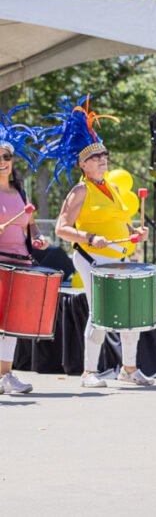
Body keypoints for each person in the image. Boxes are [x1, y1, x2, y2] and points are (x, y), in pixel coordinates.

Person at [49, 97, 153, 387]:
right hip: (91, 257)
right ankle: (89, 373)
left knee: (131, 312)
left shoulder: (112, 186)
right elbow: (61, 228)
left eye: (104, 154)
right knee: (100, 313)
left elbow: (122, 220)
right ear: (83, 164)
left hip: (118, 257)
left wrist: (135, 233)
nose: (102, 159)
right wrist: (90, 237)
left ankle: (129, 369)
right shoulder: (80, 191)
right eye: (95, 157)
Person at [0, 106, 50, 394]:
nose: (2, 162)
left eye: (6, 157)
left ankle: (6, 376)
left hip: (21, 261)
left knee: (11, 323)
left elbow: (31, 226)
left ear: (12, 161)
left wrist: (39, 236)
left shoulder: (20, 193)